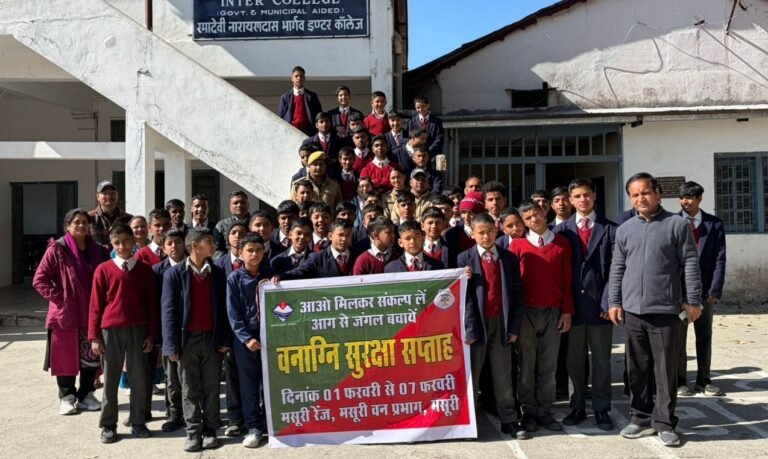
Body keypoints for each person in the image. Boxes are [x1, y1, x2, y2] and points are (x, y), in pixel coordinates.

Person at [608, 172, 702, 448]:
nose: (641, 198)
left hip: (665, 310)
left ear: (658, 193)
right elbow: (617, 267)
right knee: (637, 369)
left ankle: (664, 422)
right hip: (633, 311)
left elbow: (690, 263)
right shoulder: (625, 229)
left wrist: (693, 300)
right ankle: (640, 417)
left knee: (664, 370)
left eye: (645, 192)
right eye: (635, 195)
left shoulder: (676, 225)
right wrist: (614, 301)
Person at [553, 178, 617, 431]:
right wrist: (564, 307)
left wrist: (610, 302)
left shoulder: (610, 229)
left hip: (601, 308)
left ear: (594, 197)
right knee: (574, 362)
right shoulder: (561, 231)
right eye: (577, 196)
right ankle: (577, 406)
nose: (583, 200)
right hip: (574, 308)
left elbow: (615, 270)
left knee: (601, 362)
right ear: (570, 200)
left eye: (587, 195)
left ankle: (601, 408)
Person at [161, 228, 232, 452]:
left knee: (211, 386)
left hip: (212, 339)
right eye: (209, 241)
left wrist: (225, 338)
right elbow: (168, 311)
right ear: (194, 245)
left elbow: (225, 309)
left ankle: (211, 429)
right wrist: (170, 345)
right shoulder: (174, 274)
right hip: (186, 341)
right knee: (189, 388)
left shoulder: (218, 272)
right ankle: (193, 431)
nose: (214, 245)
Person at [458, 212, 526, 439]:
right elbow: (464, 299)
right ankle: (468, 422)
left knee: (503, 374)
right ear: (473, 234)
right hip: (476, 325)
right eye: (481, 233)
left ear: (497, 231)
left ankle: (509, 419)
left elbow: (517, 295)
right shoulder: (464, 259)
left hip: (501, 323)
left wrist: (514, 327)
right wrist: (469, 329)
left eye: (489, 232)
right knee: (473, 375)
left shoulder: (508, 258)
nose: (486, 237)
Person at [33, 208, 108, 415]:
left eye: (85, 222)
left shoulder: (98, 250)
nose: (82, 225)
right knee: (65, 357)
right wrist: (61, 299)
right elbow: (39, 280)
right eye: (77, 222)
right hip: (66, 314)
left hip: (91, 312)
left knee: (91, 357)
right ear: (67, 226)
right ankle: (67, 397)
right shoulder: (57, 249)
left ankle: (86, 395)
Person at [88, 224, 157, 443]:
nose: (122, 246)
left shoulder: (144, 270)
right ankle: (108, 425)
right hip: (111, 330)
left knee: (138, 378)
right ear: (111, 244)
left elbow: (151, 304)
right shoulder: (103, 269)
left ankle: (138, 421)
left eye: (126, 241)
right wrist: (94, 336)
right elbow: (95, 305)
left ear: (134, 241)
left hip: (139, 329)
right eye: (117, 243)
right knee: (110, 379)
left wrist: (151, 334)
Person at [511, 199, 573, 434]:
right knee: (526, 365)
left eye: (536, 214)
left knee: (548, 365)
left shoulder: (562, 244)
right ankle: (528, 410)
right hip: (526, 312)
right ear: (523, 222)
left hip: (552, 311)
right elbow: (513, 284)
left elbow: (567, 281)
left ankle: (544, 410)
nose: (534, 220)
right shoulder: (517, 246)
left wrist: (566, 311)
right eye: (527, 218)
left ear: (544, 213)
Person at [675, 181, 727, 397]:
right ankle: (679, 381)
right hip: (679, 292)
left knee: (704, 336)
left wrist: (715, 289)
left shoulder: (714, 224)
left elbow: (720, 259)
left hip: (705, 292)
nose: (685, 202)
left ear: (699, 199)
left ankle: (704, 380)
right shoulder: (672, 222)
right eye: (682, 198)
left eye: (689, 197)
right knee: (678, 338)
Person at [226, 234, 274, 448]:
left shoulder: (271, 274)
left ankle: (272, 424)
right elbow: (233, 313)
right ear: (241, 253)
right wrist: (246, 338)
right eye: (250, 250)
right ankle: (254, 427)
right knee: (249, 385)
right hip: (246, 340)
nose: (254, 254)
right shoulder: (234, 278)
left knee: (271, 382)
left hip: (270, 336)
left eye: (258, 250)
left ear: (264, 252)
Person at [151, 228, 186, 433]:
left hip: (191, 328)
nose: (174, 247)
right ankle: (174, 413)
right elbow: (155, 304)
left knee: (190, 376)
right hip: (168, 330)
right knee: (171, 377)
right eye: (169, 243)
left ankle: (193, 412)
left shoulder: (195, 266)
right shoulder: (157, 271)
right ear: (163, 248)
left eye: (178, 242)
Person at [277, 218, 358, 279]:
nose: (344, 239)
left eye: (348, 235)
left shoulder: (357, 255)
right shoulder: (317, 258)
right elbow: (299, 271)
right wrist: (280, 276)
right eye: (340, 235)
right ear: (330, 236)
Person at [277, 65, 322, 136]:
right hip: (290, 132)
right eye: (296, 76)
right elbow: (280, 117)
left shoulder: (312, 96)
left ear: (304, 78)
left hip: (308, 133)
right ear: (292, 78)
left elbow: (319, 115)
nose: (299, 78)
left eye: (301, 76)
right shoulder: (285, 97)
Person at [444, 191, 484, 266]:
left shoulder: (489, 233)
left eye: (471, 213)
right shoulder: (451, 234)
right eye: (463, 212)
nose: (466, 217)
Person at [89, 180, 133, 245]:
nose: (109, 196)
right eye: (105, 193)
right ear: (98, 197)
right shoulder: (89, 218)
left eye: (112, 193)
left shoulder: (128, 219)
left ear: (117, 195)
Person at [215, 191, 250, 256]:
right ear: (230, 206)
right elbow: (216, 250)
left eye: (242, 202)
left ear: (248, 205)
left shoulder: (255, 224)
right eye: (235, 203)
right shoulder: (221, 225)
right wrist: (230, 259)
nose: (239, 205)